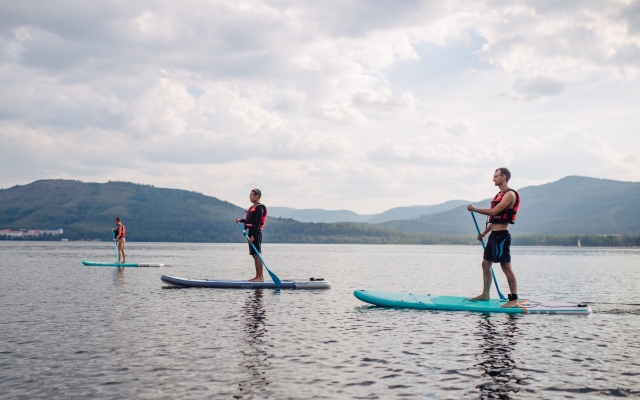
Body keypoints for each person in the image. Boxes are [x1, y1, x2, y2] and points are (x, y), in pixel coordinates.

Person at [467, 168, 521, 308]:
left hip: (502, 237)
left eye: (496, 176)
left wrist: (475, 209)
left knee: (506, 268)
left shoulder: (509, 194)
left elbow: (494, 211)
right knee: (485, 265)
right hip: (493, 236)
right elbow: (494, 219)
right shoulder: (499, 194)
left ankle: (514, 299)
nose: (493, 179)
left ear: (503, 177)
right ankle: (486, 294)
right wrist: (484, 233)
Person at [235, 188, 268, 282]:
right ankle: (257, 276)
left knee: (257, 255)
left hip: (256, 233)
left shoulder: (260, 208)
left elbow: (257, 223)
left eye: (251, 195)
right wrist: (240, 220)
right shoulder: (252, 208)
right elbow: (250, 221)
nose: (249, 197)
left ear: (257, 196)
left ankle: (260, 277)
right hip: (251, 233)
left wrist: (253, 236)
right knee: (254, 255)